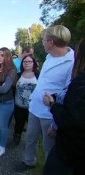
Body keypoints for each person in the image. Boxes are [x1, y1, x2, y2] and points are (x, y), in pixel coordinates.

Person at [14, 25, 74, 172]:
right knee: (30, 139)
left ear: (51, 42)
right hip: (35, 109)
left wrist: (55, 124)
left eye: (43, 40)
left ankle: (48, 169)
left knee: (49, 147)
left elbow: (67, 94)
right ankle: (29, 161)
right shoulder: (48, 57)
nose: (42, 42)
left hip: (50, 114)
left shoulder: (71, 63)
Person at [42, 38, 85, 175]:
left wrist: (52, 105)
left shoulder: (80, 82)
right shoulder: (48, 58)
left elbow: (71, 119)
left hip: (71, 152)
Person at [13, 54, 39, 145]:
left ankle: (32, 144)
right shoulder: (18, 75)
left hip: (33, 108)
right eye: (25, 61)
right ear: (22, 63)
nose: (27, 63)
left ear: (34, 63)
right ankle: (16, 137)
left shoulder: (38, 75)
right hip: (19, 106)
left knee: (32, 128)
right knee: (18, 124)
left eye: (29, 61)